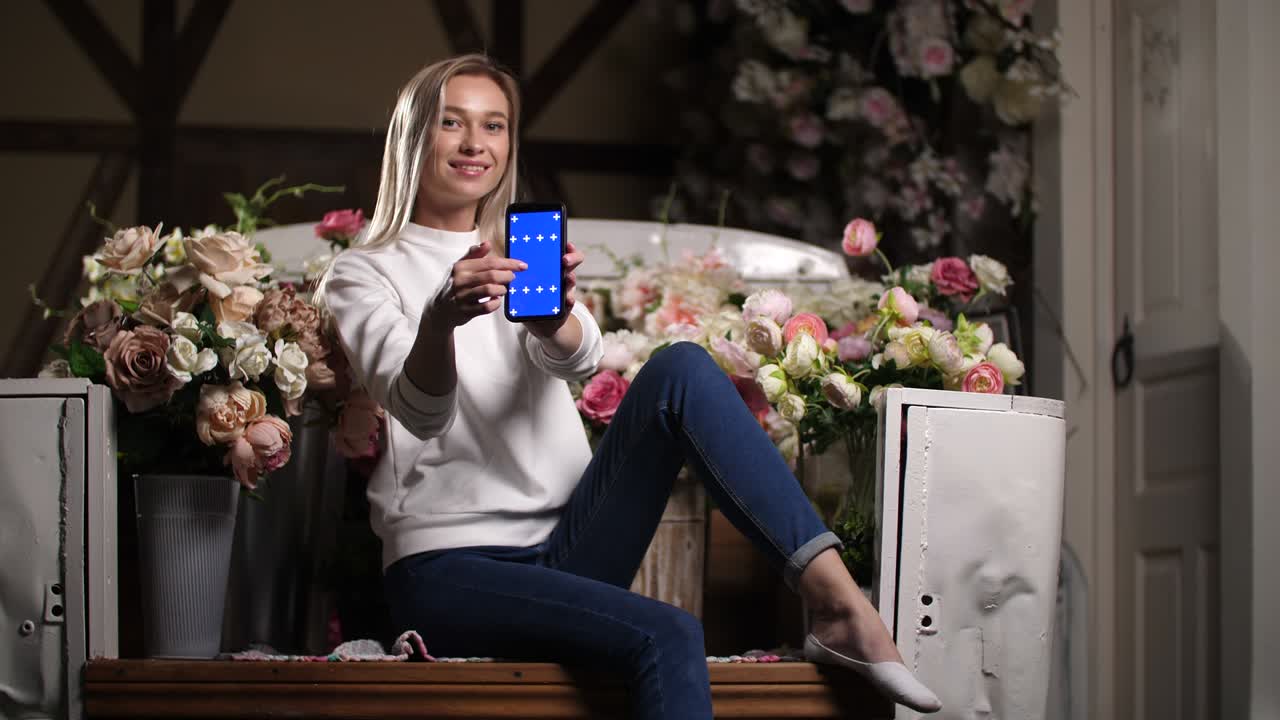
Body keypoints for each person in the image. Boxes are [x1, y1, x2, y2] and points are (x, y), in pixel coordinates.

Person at [317, 53, 940, 718]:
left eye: (494, 126)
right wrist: (440, 318)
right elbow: (418, 409)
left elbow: (583, 359)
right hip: (449, 571)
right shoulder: (364, 274)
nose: (476, 144)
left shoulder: (518, 251)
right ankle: (843, 615)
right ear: (415, 139)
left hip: (568, 546)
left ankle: (838, 604)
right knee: (669, 631)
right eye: (453, 123)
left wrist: (553, 313)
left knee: (681, 368)